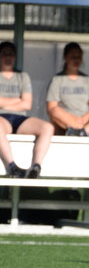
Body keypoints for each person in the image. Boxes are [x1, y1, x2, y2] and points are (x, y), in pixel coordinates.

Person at [0, 41, 53, 179]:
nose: (8, 57)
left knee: (47, 127)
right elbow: (22, 101)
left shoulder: (22, 76)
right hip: (2, 119)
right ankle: (12, 166)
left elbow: (27, 104)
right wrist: (18, 100)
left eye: (11, 54)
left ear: (15, 57)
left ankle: (36, 166)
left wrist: (4, 102)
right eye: (4, 54)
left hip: (20, 119)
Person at [46, 42, 89, 137]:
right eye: (73, 56)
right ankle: (77, 130)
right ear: (65, 57)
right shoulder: (57, 80)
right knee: (55, 111)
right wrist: (74, 120)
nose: (76, 60)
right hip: (67, 123)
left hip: (86, 121)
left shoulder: (88, 80)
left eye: (78, 57)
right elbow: (51, 108)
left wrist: (84, 119)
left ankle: (83, 131)